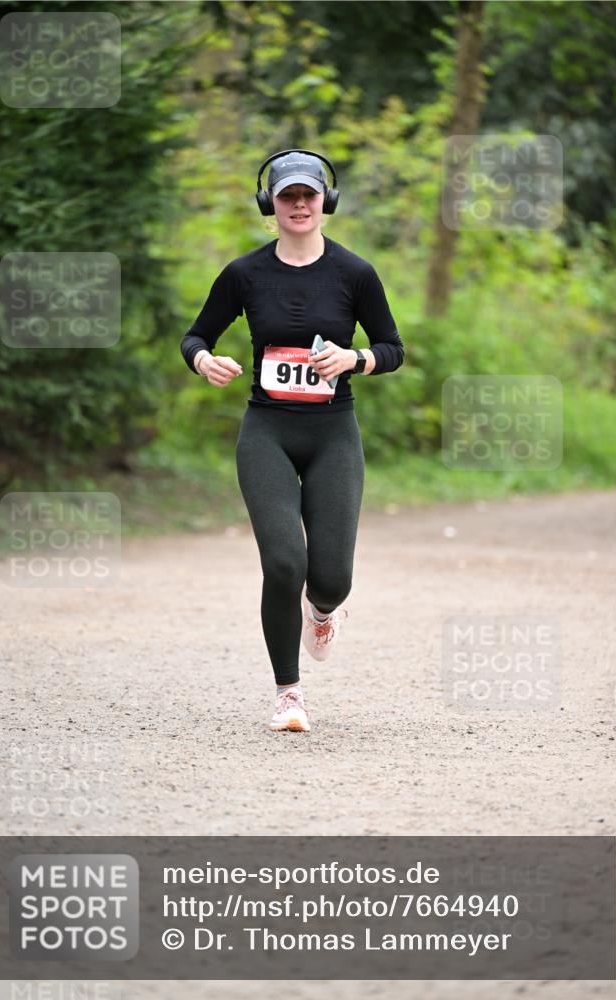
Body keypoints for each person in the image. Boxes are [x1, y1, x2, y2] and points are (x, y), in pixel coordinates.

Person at [180, 149, 404, 734]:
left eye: (309, 195)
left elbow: (392, 348)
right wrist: (204, 359)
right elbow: (196, 334)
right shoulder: (244, 274)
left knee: (330, 578)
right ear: (270, 204)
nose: (299, 204)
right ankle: (288, 694)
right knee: (284, 563)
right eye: (288, 196)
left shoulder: (356, 274)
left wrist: (355, 358)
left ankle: (324, 611)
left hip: (333, 434)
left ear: (325, 202)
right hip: (267, 432)